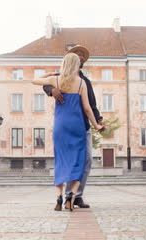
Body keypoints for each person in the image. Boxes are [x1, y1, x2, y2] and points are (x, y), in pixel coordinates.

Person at [32, 53, 103, 211]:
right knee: (78, 160)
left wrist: (50, 75)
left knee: (63, 161)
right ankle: (71, 195)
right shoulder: (81, 83)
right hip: (77, 125)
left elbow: (34, 80)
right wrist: (52, 90)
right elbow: (87, 107)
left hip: (61, 125)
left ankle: (62, 197)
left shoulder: (60, 79)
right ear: (77, 63)